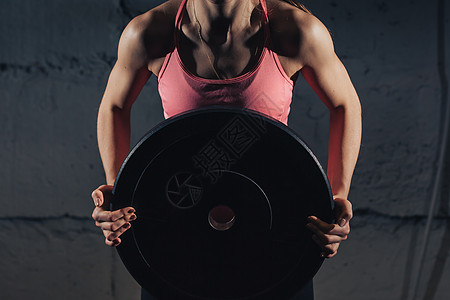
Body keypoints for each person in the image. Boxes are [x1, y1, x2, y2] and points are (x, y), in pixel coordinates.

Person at [91, 0, 361, 299]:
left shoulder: (298, 31)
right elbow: (113, 106)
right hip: (180, 227)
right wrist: (119, 194)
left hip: (273, 227)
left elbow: (345, 104)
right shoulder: (149, 33)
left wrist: (337, 196)